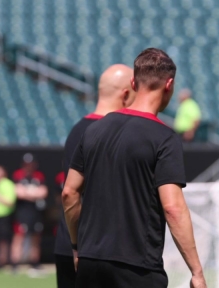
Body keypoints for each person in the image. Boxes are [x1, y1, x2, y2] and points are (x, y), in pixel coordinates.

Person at [62, 48, 207, 288]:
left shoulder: (94, 130)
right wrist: (196, 271)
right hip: (136, 269)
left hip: (90, 263)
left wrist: (77, 247)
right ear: (169, 84)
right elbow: (172, 208)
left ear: (133, 81)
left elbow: (69, 193)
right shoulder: (164, 138)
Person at [55, 64, 136, 288]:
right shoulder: (110, 133)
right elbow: (71, 194)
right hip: (92, 252)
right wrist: (79, 246)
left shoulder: (77, 130)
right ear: (126, 94)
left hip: (73, 245)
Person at [10, 153, 48, 276]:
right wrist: (33, 193)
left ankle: (34, 263)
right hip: (22, 213)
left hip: (36, 213)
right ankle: (15, 264)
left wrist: (28, 193)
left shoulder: (39, 176)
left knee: (35, 238)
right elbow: (18, 192)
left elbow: (43, 192)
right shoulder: (18, 175)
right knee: (19, 237)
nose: (29, 167)